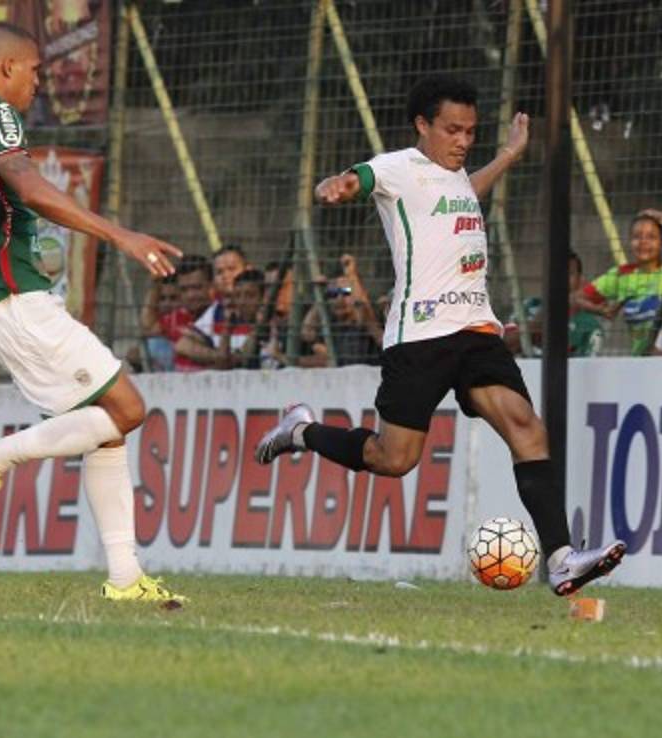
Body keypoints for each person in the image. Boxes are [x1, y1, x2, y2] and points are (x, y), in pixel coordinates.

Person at [254, 75, 625, 595]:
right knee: (394, 459)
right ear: (422, 125)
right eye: (453, 130)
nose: (464, 141)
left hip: (475, 329)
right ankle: (302, 432)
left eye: (471, 131)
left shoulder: (455, 178)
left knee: (527, 427)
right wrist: (334, 186)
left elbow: (464, 193)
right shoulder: (399, 168)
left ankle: (562, 559)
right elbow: (356, 179)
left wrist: (507, 155)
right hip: (420, 335)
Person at [0, 24, 185, 604]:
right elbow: (28, 187)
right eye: (35, 72)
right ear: (6, 67)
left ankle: (125, 577)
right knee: (128, 410)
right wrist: (120, 235)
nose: (38, 84)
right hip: (14, 297)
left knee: (105, 428)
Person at [573, 208, 662, 355]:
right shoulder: (621, 275)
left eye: (651, 237)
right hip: (639, 360)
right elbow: (575, 298)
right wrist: (601, 310)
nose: (643, 242)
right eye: (637, 236)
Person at [504, 250, 603, 357]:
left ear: (580, 280)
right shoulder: (528, 306)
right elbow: (503, 345)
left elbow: (587, 364)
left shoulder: (590, 326)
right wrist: (544, 316)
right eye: (555, 273)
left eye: (569, 274)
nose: (561, 280)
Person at [300, 254, 384, 366]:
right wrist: (321, 296)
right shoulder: (331, 322)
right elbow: (307, 333)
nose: (339, 299)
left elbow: (361, 307)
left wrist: (351, 275)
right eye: (333, 294)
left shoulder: (364, 320)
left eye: (345, 293)